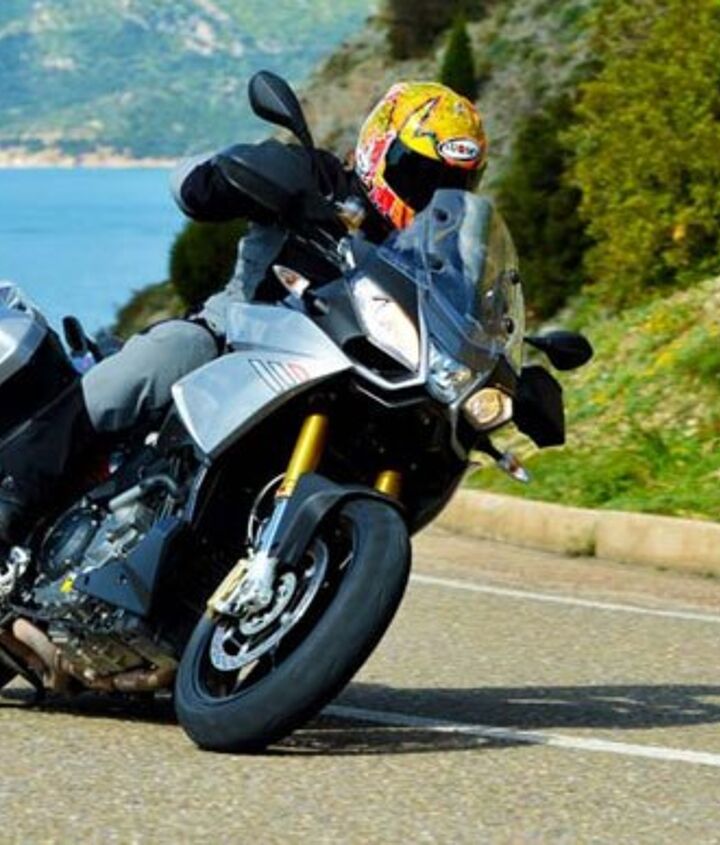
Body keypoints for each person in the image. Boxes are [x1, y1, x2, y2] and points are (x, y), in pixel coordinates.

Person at [0, 81, 488, 546]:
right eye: (419, 172)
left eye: (452, 183)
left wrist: (509, 376)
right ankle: (13, 491)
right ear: (379, 148)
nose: (431, 193)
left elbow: (466, 322)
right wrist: (242, 171)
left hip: (346, 379)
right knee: (170, 351)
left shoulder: (440, 265)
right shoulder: (319, 178)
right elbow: (189, 185)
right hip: (232, 341)